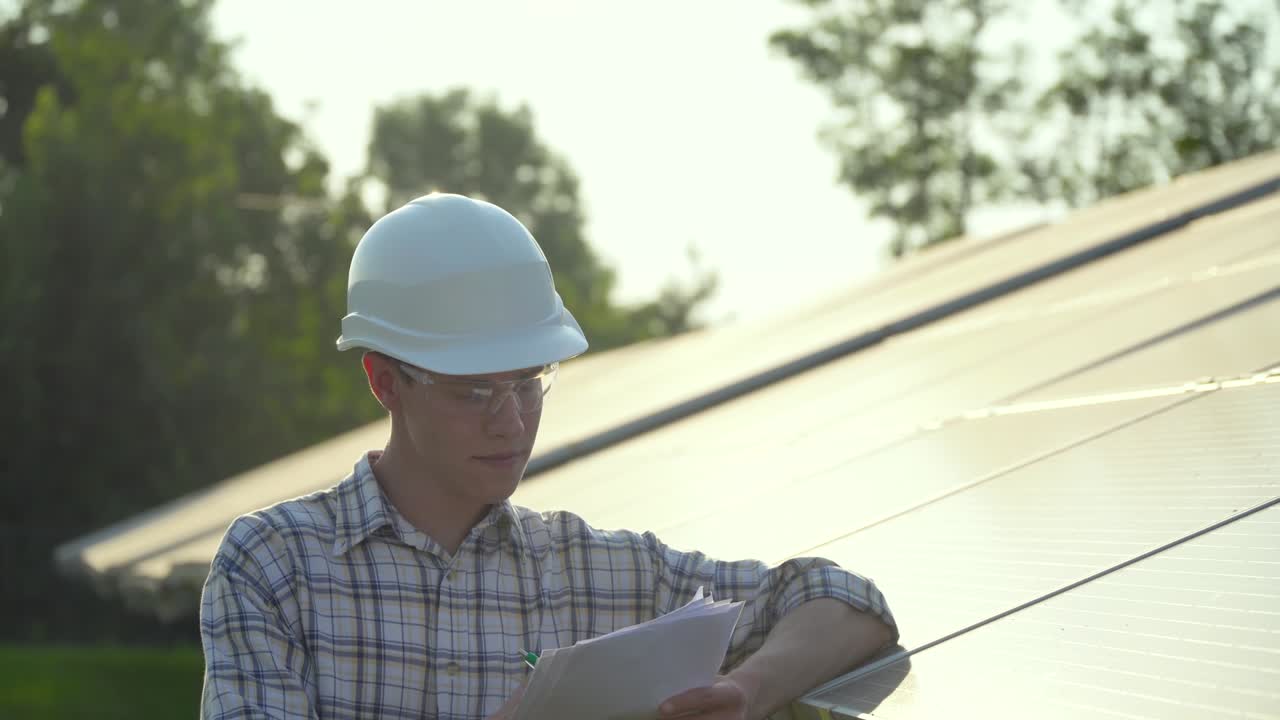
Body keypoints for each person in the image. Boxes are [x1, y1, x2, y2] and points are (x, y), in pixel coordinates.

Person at [199, 193, 897, 720]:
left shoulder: (594, 569)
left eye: (529, 381)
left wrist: (747, 690)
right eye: (474, 391)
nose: (513, 421)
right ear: (385, 381)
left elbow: (843, 601)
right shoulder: (275, 566)